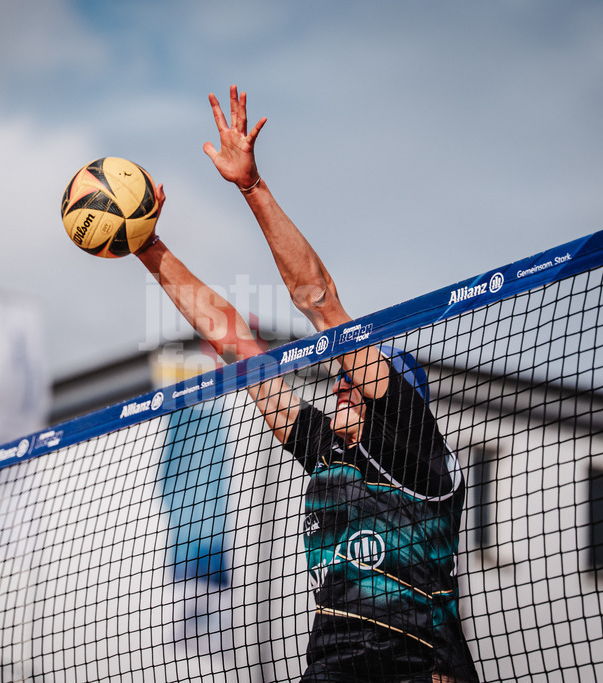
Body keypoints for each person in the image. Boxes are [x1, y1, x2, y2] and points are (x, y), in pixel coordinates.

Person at [134, 87, 478, 682]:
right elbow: (233, 341)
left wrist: (251, 187)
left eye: (357, 379)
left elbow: (320, 302)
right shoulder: (326, 450)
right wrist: (146, 245)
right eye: (343, 377)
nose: (343, 382)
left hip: (414, 665)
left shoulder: (416, 454)